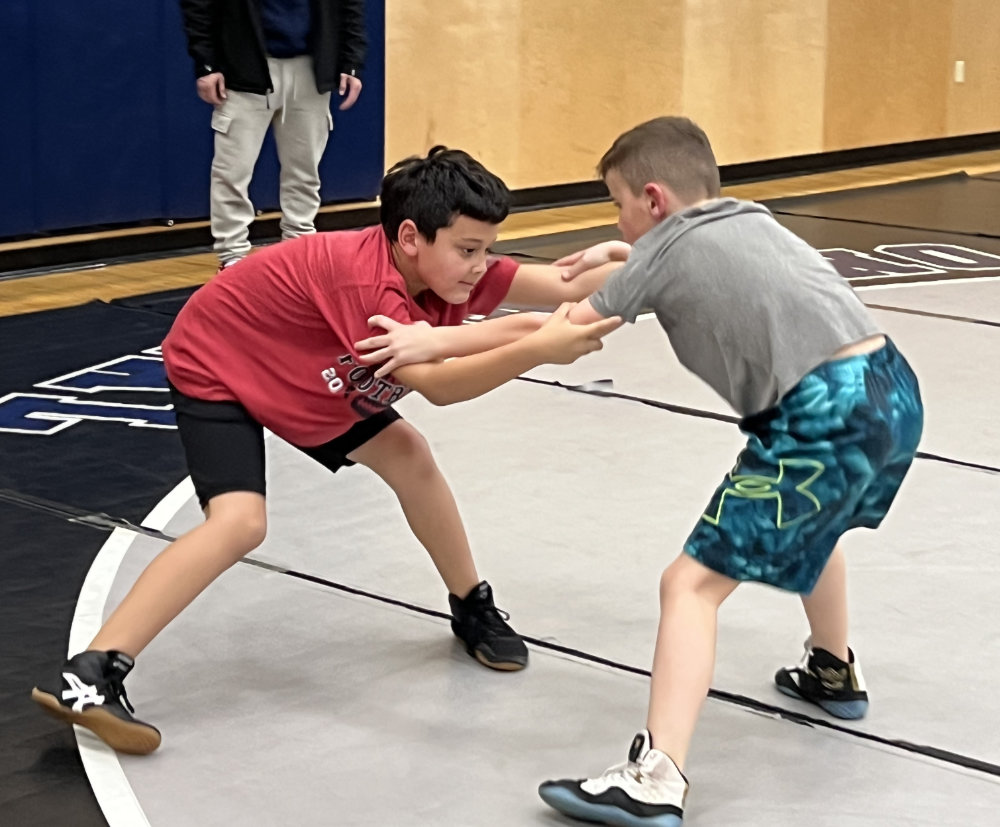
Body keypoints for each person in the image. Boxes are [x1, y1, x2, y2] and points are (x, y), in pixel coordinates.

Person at [30, 147, 621, 755]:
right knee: (239, 523)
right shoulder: (369, 287)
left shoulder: (445, 266)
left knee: (409, 456)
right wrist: (539, 346)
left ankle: (471, 606)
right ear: (411, 237)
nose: (480, 265)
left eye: (487, 249)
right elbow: (443, 385)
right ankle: (92, 671)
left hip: (306, 366)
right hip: (219, 363)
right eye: (468, 250)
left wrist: (663, 258)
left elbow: (560, 284)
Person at [528, 117, 924, 825]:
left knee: (688, 584)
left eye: (618, 203)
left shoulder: (660, 253)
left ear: (653, 199)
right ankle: (832, 667)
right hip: (889, 385)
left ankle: (656, 775)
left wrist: (433, 340)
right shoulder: (746, 217)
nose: (618, 220)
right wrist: (627, 252)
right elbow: (688, 264)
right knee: (817, 523)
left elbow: (563, 328)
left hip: (820, 415)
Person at [179, 0, 367, 269]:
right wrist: (206, 63)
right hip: (244, 66)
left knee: (305, 172)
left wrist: (351, 61)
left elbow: (350, 5)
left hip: (311, 69)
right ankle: (233, 259)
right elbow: (198, 5)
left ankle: (299, 253)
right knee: (232, 172)